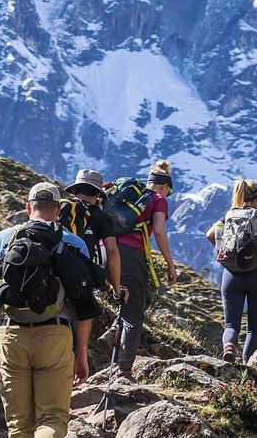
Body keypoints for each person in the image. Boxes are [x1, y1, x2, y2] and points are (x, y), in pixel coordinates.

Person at [0, 182, 98, 438]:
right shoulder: (73, 243)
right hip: (55, 336)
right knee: (52, 420)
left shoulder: (2, 241)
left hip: (11, 336)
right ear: (58, 209)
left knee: (19, 425)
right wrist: (81, 354)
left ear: (27, 206)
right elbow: (84, 305)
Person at [206, 177, 257, 364]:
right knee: (253, 328)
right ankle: (248, 366)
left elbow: (209, 234)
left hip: (232, 275)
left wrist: (223, 251)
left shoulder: (227, 217)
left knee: (231, 324)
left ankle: (228, 349)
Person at [111, 159, 179, 379]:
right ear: (164, 187)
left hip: (107, 251)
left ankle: (110, 333)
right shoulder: (158, 199)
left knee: (123, 296)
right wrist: (170, 264)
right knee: (134, 313)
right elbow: (158, 231)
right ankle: (124, 371)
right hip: (132, 255)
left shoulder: (127, 195)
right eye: (168, 192)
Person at [61, 168, 127, 302]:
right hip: (81, 275)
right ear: (98, 194)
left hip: (54, 267)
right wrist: (117, 289)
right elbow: (112, 251)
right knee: (86, 314)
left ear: (74, 190)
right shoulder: (102, 217)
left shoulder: (59, 207)